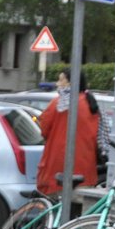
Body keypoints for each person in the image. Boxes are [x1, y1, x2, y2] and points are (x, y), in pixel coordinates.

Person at [35, 67, 101, 197]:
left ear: (70, 83)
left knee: (56, 207)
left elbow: (44, 129)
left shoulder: (58, 104)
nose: (58, 84)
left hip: (59, 165)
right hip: (86, 169)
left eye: (61, 80)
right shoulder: (91, 103)